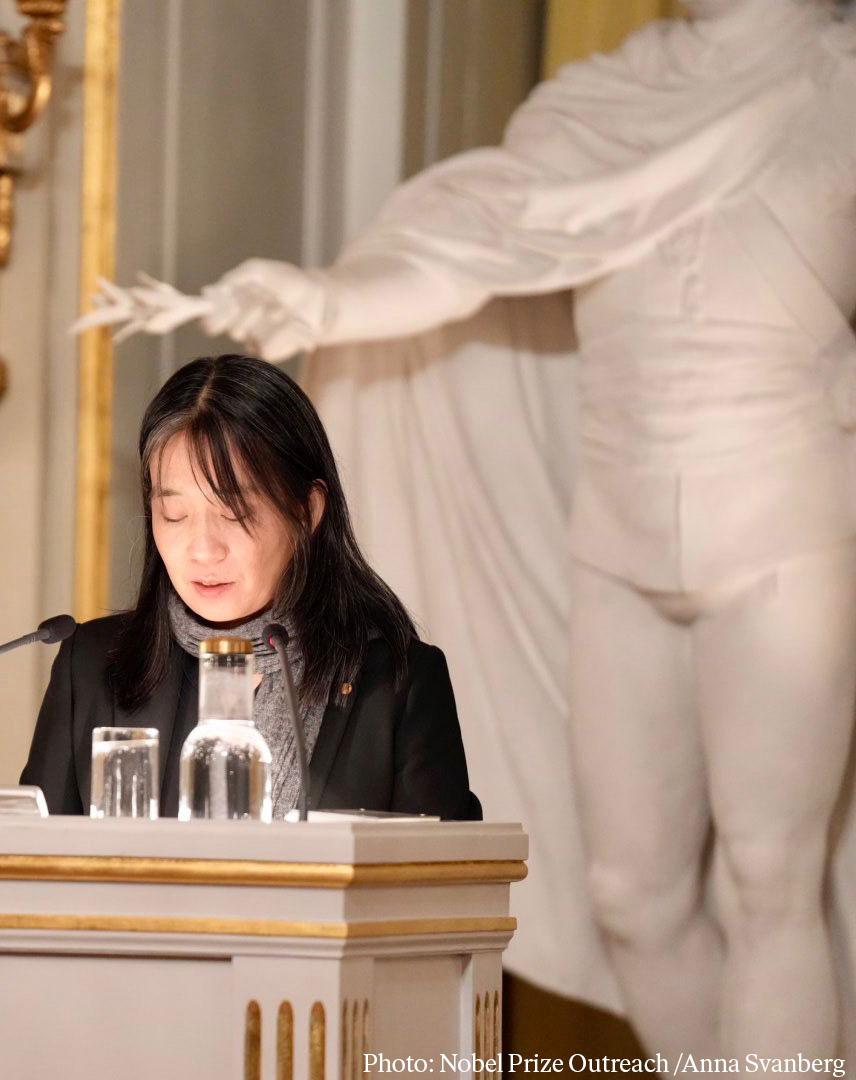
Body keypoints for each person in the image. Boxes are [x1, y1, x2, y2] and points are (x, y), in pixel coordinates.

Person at [78, 0, 856, 1057]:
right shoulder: (597, 102)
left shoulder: (836, 77)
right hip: (618, 533)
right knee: (631, 894)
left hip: (780, 520)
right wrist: (323, 299)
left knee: (772, 875)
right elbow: (478, 248)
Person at [20, 354, 481, 821]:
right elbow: (29, 873)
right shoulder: (91, 666)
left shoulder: (396, 686)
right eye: (174, 515)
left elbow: (446, 886)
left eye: (234, 515)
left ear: (307, 512)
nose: (202, 550)